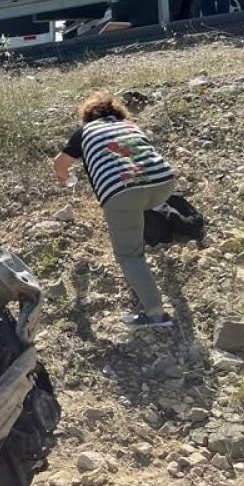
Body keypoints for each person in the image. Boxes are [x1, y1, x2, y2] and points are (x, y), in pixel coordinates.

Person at [52, 92, 178, 328]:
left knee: (129, 255)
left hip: (123, 193)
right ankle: (157, 234)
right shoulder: (130, 126)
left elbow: (60, 164)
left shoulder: (85, 132)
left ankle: (155, 315)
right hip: (165, 183)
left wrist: (65, 179)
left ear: (88, 116)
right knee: (140, 204)